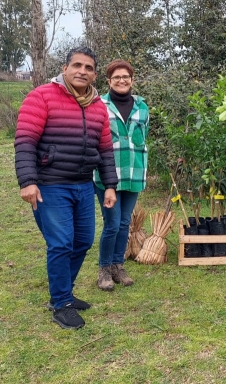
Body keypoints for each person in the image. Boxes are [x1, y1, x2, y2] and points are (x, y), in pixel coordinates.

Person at [15, 46, 118, 330]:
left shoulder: (98, 106)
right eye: (77, 65)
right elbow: (25, 141)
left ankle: (64, 293)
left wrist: (110, 185)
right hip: (50, 185)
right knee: (60, 244)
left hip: (83, 185)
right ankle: (61, 303)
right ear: (65, 68)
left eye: (88, 68)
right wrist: (28, 181)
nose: (82, 71)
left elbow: (105, 150)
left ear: (95, 74)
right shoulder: (42, 97)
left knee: (83, 241)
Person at [94, 59, 149, 291]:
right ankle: (104, 270)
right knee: (112, 223)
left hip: (134, 172)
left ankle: (118, 265)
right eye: (116, 77)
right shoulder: (99, 105)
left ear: (132, 80)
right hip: (108, 174)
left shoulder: (142, 107)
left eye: (125, 76)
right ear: (109, 81)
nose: (121, 80)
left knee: (125, 223)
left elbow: (142, 138)